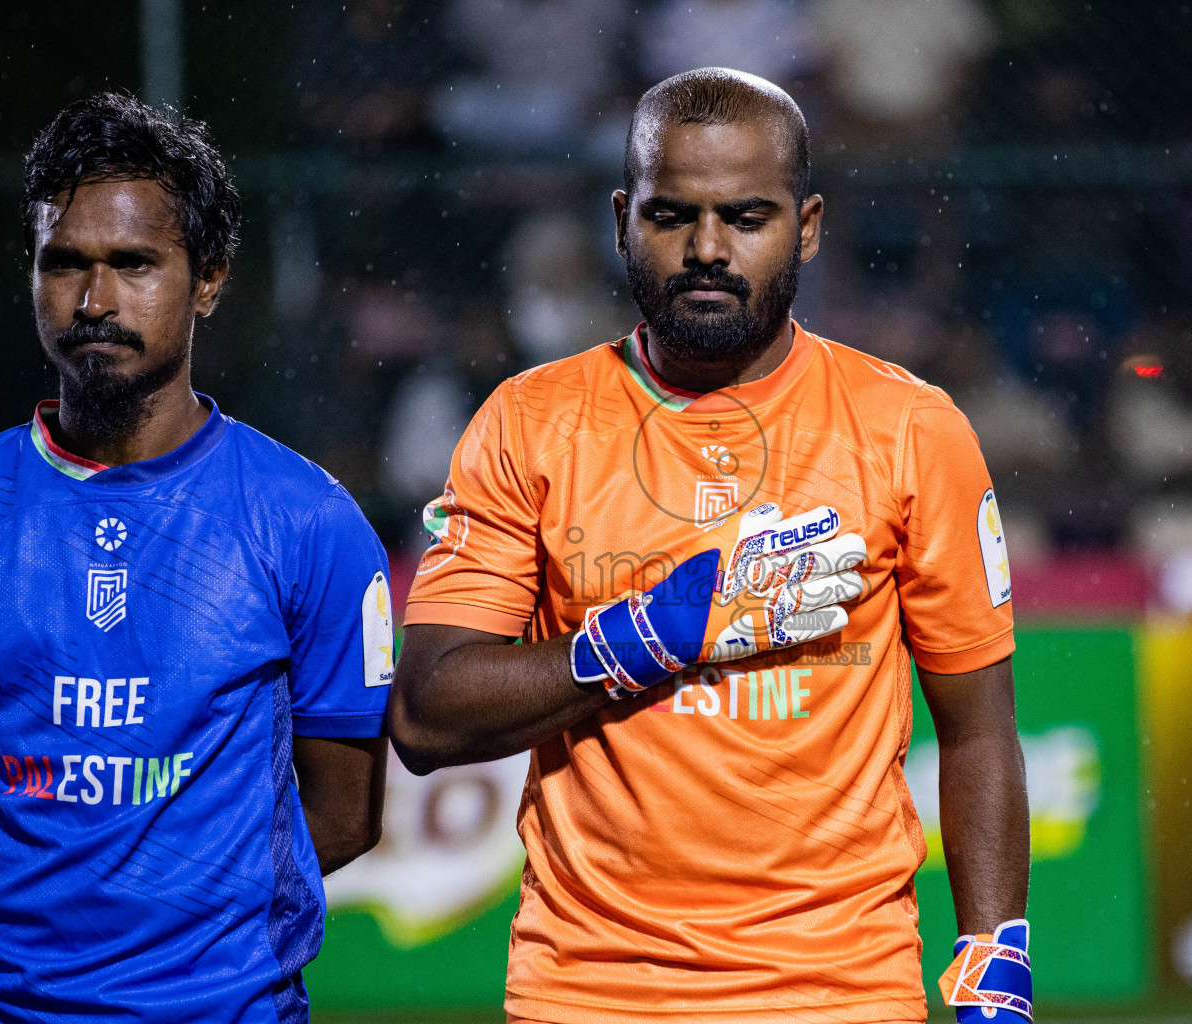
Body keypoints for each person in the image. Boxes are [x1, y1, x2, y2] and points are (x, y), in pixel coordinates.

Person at [389, 68, 1032, 1023]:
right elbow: (428, 716)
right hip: (592, 989)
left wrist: (996, 957)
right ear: (621, 221)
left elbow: (977, 729)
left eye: (747, 216)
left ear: (807, 227)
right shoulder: (527, 423)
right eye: (670, 214)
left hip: (842, 991)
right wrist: (643, 636)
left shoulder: (909, 428)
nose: (706, 249)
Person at [0, 94, 392, 1021]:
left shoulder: (309, 521)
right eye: (64, 263)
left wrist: (179, 932)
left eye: (134, 264)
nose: (95, 301)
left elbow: (344, 816)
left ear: (209, 280)